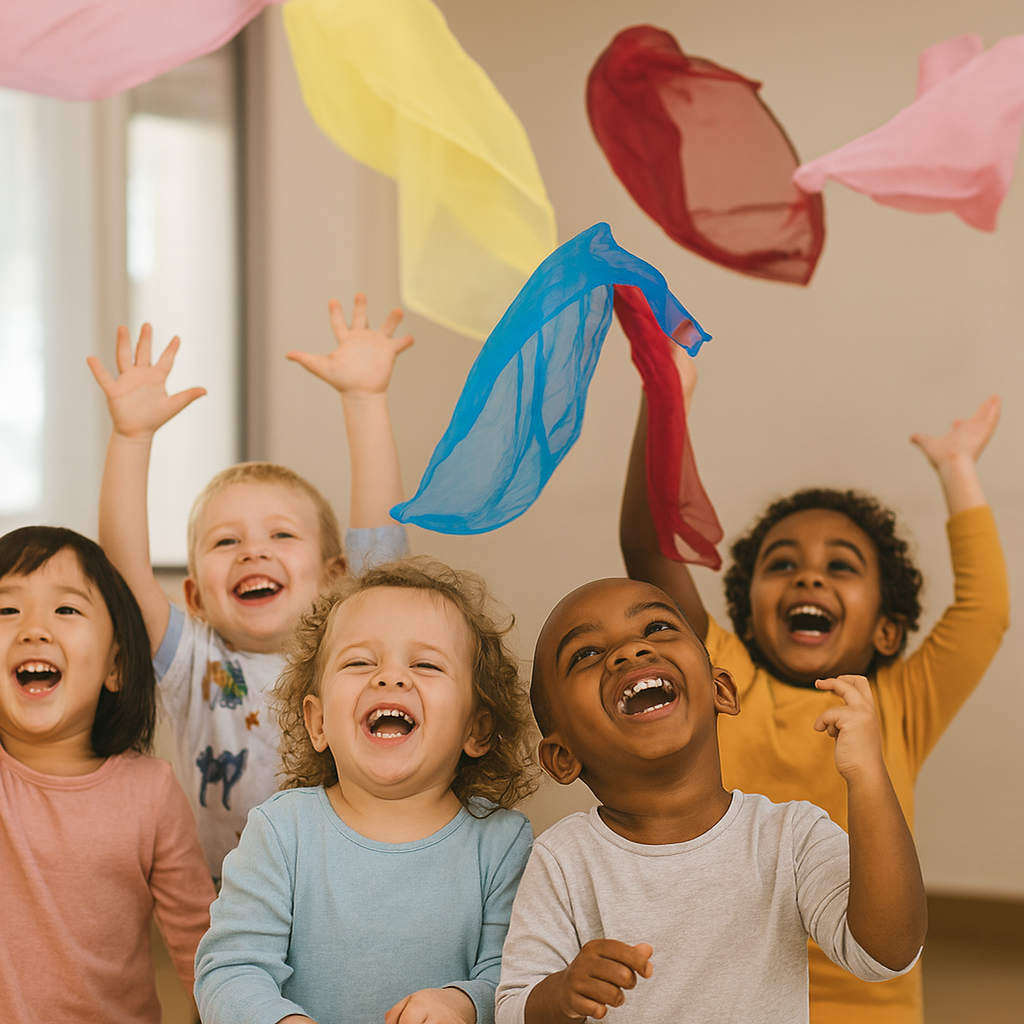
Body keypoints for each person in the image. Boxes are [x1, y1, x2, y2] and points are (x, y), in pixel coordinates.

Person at [618, 350, 1008, 1024]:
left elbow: (984, 614)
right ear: (747, 606)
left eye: (841, 566)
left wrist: (958, 471)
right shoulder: (719, 672)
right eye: (783, 564)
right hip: (723, 998)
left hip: (864, 1006)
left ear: (887, 632)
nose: (808, 578)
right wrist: (666, 402)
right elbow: (649, 550)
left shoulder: (900, 703)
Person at [495, 577, 927, 1024]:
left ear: (721, 690)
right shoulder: (562, 859)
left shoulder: (790, 837)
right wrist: (561, 994)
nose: (630, 651)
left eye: (657, 628)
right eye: (585, 654)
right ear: (562, 756)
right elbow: (512, 1009)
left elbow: (887, 953)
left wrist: (870, 777)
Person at [88, 294, 414, 878]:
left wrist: (365, 401)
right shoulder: (193, 661)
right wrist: (131, 440)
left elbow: (382, 547)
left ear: (335, 577)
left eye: (281, 535)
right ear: (194, 598)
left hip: (344, 882)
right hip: (228, 891)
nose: (253, 551)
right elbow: (121, 571)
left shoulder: (347, 646)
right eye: (225, 542)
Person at [194, 557, 537, 1024]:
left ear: (476, 729)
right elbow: (230, 970)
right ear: (318, 723)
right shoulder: (282, 831)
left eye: (425, 663)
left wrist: (462, 1002)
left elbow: (515, 976)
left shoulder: (502, 842)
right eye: (359, 662)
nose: (390, 677)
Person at [0, 526, 216, 1024]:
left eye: (66, 610)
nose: (32, 628)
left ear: (115, 666)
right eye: (7, 610)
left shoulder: (151, 792)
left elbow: (204, 956)